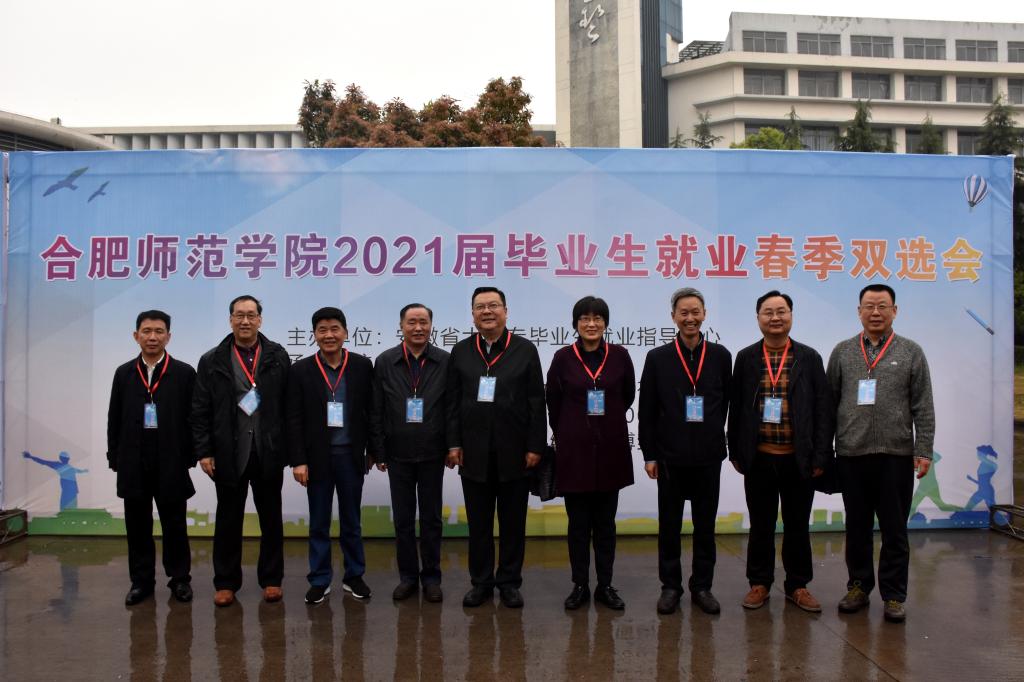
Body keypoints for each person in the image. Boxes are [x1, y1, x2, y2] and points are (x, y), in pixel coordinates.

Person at [826, 284, 934, 623]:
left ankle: (894, 595)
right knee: (856, 527)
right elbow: (829, 405)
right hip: (852, 455)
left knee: (894, 530)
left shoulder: (911, 352)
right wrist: (824, 452)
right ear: (859, 311)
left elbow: (923, 405)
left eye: (882, 306)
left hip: (895, 455)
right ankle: (858, 587)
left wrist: (924, 448)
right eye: (869, 306)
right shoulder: (843, 352)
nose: (875, 312)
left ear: (894, 311)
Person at [728, 291, 833, 613]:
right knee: (761, 524)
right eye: (768, 312)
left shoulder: (809, 357)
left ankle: (797, 585)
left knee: (797, 525)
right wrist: (736, 451)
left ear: (791, 315)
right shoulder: (746, 358)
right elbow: (736, 406)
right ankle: (759, 583)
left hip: (798, 459)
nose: (775, 318)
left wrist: (821, 455)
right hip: (759, 457)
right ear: (758, 317)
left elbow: (823, 409)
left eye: (781, 311)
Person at [446, 287, 546, 609]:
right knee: (479, 525)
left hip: (515, 453)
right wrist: (453, 443)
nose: (487, 311)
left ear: (505, 311)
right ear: (472, 314)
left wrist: (535, 446)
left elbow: (536, 402)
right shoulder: (461, 351)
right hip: (473, 453)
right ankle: (481, 583)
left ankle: (509, 582)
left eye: (493, 305)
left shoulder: (525, 350)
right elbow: (452, 402)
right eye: (480, 307)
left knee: (513, 523)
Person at [192, 295, 291, 607]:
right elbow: (200, 409)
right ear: (230, 320)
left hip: (267, 450)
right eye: (239, 315)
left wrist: (288, 448)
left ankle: (272, 579)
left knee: (271, 518)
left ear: (260, 320)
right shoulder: (212, 360)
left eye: (251, 315)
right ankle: (225, 583)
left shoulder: (277, 355)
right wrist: (204, 451)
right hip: (228, 452)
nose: (245, 321)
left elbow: (288, 405)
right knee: (228, 520)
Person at [638, 287, 731, 616]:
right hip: (670, 457)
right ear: (673, 317)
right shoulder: (658, 358)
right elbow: (647, 409)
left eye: (695, 312)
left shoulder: (720, 356)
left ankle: (702, 586)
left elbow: (728, 403)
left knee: (705, 527)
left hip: (708, 456)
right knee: (670, 526)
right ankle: (670, 587)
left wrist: (722, 441)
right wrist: (650, 454)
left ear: (704, 314)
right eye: (683, 313)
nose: (690, 318)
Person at [546, 296, 635, 611]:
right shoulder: (562, 358)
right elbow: (553, 401)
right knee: (578, 525)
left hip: (610, 450)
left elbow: (627, 395)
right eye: (584, 318)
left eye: (598, 318)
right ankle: (580, 585)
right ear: (575, 324)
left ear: (606, 323)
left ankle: (605, 585)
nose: (591, 324)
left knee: (606, 524)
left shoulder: (620, 356)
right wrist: (571, 431)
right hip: (575, 454)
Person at [106, 310, 197, 605]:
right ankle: (141, 582)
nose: (153, 337)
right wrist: (115, 456)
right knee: (137, 526)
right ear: (136, 336)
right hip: (133, 463)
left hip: (171, 462)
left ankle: (180, 579)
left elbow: (194, 418)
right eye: (147, 331)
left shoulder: (184, 373)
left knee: (175, 525)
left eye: (159, 331)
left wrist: (190, 456)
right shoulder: (124, 373)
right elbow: (114, 417)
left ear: (168, 336)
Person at [287, 307, 375, 604]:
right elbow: (294, 418)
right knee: (319, 522)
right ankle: (320, 579)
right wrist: (298, 460)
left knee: (352, 521)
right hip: (317, 459)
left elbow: (372, 411)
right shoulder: (301, 370)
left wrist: (373, 450)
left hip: (351, 456)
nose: (329, 335)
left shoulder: (362, 366)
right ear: (314, 335)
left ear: (346, 333)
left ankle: (354, 576)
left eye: (334, 328)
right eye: (322, 330)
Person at [370, 303, 449, 603]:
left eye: (423, 322)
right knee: (403, 520)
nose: (418, 328)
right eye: (412, 322)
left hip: (433, 452)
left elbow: (452, 408)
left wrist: (452, 446)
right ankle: (407, 577)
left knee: (431, 519)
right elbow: (376, 409)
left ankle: (431, 578)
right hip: (397, 453)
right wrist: (379, 451)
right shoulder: (385, 361)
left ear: (431, 326)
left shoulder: (444, 361)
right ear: (401, 326)